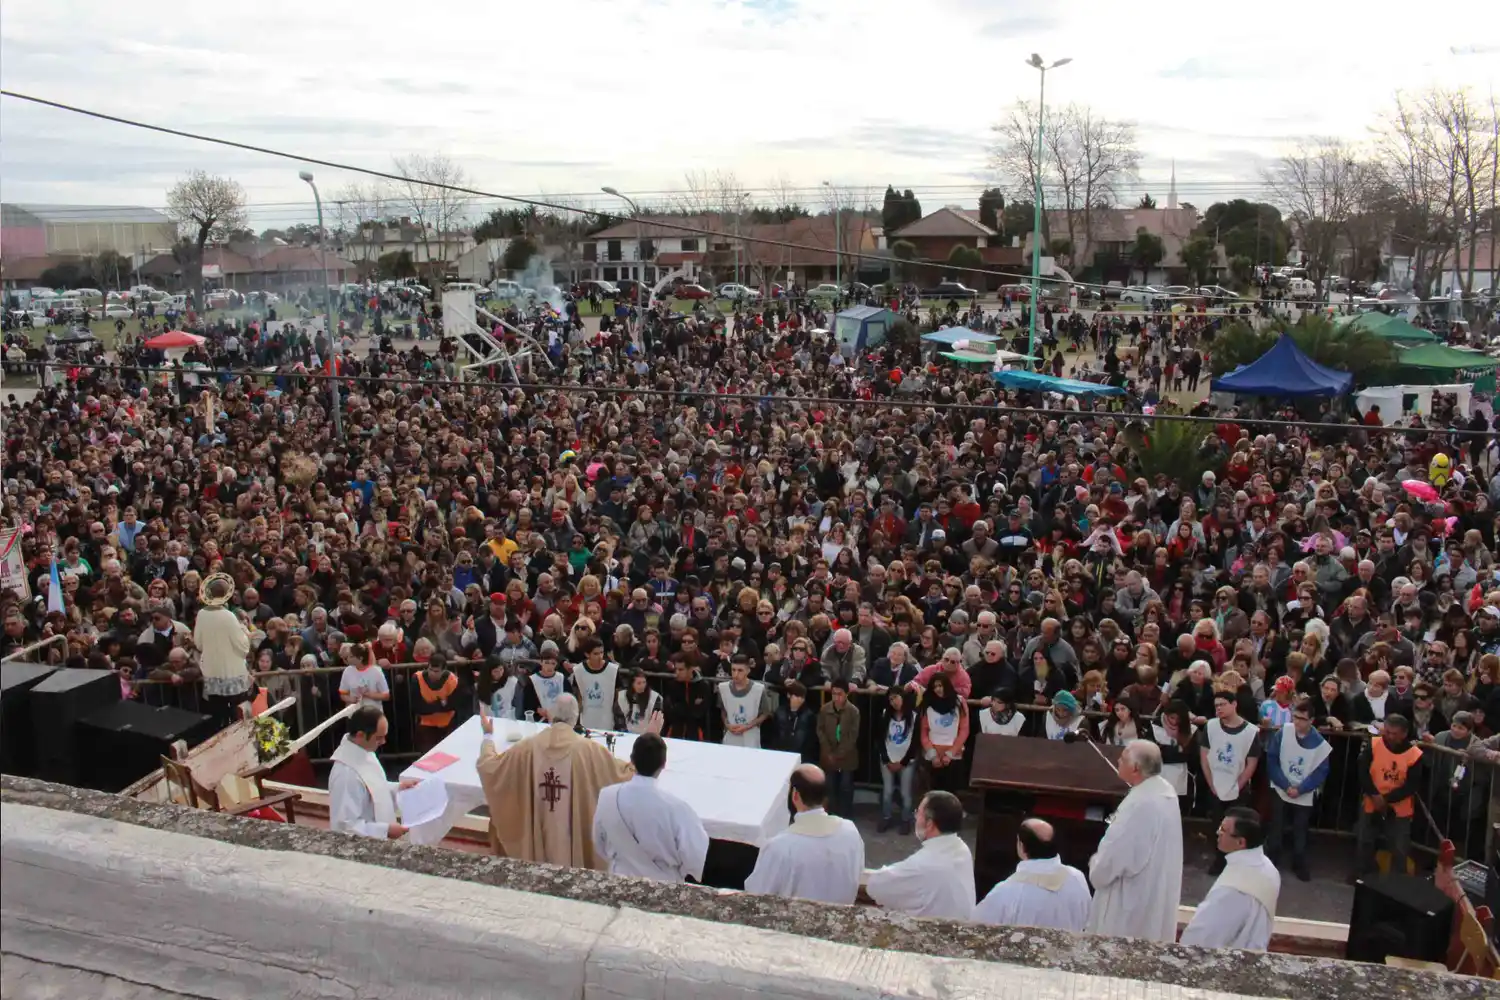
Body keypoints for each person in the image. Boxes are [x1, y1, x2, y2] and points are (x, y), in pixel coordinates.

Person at [477, 693, 650, 869]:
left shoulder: (528, 747)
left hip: (539, 838)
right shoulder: (590, 751)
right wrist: (650, 739)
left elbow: (489, 766)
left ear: (552, 714)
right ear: (576, 717)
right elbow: (626, 774)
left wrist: (488, 736)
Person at [1086, 740, 1183, 942]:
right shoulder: (1164, 791)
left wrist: (1096, 866)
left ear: (1136, 768)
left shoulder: (1141, 804)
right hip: (1153, 887)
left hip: (1130, 899)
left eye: (1123, 759)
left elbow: (1116, 856)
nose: (1118, 761)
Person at [592, 733, 710, 883]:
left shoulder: (607, 796)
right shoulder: (678, 809)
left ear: (632, 760)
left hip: (619, 882)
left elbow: (599, 843)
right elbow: (695, 857)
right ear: (664, 764)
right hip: (663, 886)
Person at [745, 764, 865, 905]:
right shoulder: (850, 831)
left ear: (795, 795)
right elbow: (857, 873)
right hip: (841, 914)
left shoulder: (779, 847)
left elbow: (757, 894)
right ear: (824, 796)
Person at [864, 791, 976, 920]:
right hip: (959, 926)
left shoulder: (922, 865)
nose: (916, 817)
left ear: (929, 824)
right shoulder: (962, 848)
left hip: (934, 930)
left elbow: (875, 887)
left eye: (918, 813)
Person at [1180, 807, 1280, 950]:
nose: (1217, 832)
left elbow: (1201, 937)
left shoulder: (1231, 891)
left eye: (1223, 830)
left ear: (1241, 842)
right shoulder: (1270, 869)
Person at [973, 818, 1092, 932]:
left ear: (1021, 846)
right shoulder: (1077, 878)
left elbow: (975, 928)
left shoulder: (1005, 892)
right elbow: (1087, 919)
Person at [1263, 698, 1330, 882]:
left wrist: (1301, 789)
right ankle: (1272, 859)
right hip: (1281, 787)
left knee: (1300, 827)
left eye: (1302, 718)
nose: (1297, 722)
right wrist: (1285, 785)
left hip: (1303, 793)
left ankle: (1299, 861)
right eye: (1295, 717)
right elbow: (1272, 759)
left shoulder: (1320, 744)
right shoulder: (1283, 732)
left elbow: (1321, 771)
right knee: (1276, 825)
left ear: (1311, 720)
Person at [1197, 689, 1262, 874]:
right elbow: (1204, 756)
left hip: (1238, 788)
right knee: (1217, 825)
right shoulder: (1211, 726)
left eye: (1222, 704)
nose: (1219, 708)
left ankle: (1236, 863)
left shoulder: (1250, 731)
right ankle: (1219, 860)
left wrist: (1238, 786)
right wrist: (1211, 784)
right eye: (1216, 705)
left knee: (1237, 828)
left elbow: (1251, 763)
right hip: (1215, 786)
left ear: (1234, 705)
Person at [328, 703, 413, 840]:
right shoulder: (346, 774)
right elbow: (345, 827)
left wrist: (399, 788)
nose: (383, 742)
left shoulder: (365, 751)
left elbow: (375, 788)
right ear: (360, 735)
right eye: (379, 737)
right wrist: (385, 830)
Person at [1355, 713, 1425, 878]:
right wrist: (1374, 794)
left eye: (1394, 734)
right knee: (1364, 840)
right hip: (1372, 800)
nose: (1390, 737)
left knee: (1399, 846)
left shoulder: (1415, 754)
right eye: (1387, 732)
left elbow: (1411, 785)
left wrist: (1385, 799)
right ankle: (1364, 874)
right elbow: (1362, 771)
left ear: (1404, 734)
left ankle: (1397, 881)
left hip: (1399, 806)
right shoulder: (1374, 744)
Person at [877, 685, 919, 833]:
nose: (894, 702)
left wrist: (903, 762)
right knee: (887, 791)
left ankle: (906, 819)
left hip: (906, 761)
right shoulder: (885, 715)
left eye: (896, 698)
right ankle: (886, 817)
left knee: (905, 793)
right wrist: (886, 760)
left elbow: (915, 742)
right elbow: (880, 739)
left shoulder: (914, 716)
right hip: (888, 759)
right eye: (890, 699)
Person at [817, 678, 861, 816]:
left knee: (845, 787)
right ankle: (832, 814)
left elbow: (853, 736)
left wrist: (840, 753)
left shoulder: (853, 711)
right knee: (830, 786)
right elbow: (820, 730)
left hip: (847, 756)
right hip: (828, 755)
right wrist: (828, 751)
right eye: (834, 694)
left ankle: (846, 815)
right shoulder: (825, 709)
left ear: (846, 694)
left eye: (840, 694)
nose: (836, 697)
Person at [718, 657, 771, 748]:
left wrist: (748, 726)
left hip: (751, 738)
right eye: (733, 670)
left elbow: (765, 713)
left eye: (740, 670)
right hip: (730, 736)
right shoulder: (723, 688)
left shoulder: (758, 689)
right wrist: (727, 724)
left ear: (748, 671)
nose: (736, 674)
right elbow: (723, 710)